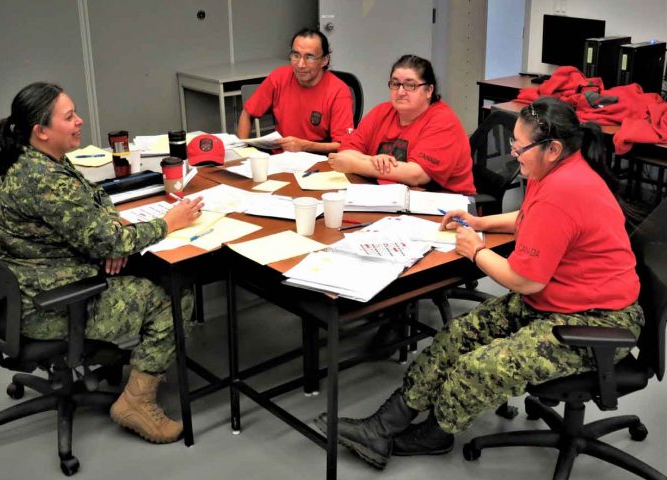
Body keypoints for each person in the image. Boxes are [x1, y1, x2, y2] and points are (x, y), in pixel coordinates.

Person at [316, 96, 644, 470]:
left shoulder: (564, 190)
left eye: (520, 147)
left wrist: (475, 250)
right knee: (458, 334)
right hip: (560, 301)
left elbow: (524, 280)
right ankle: (384, 424)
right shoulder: (551, 172)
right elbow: (528, 217)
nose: (513, 153)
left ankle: (436, 433)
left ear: (553, 148)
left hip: (597, 322)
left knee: (479, 367)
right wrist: (480, 223)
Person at [0, 82, 204, 444]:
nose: (80, 121)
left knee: (140, 267)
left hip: (32, 286)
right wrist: (169, 222)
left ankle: (113, 362)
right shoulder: (45, 180)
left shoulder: (40, 160)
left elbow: (96, 195)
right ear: (40, 131)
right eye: (69, 116)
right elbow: (111, 238)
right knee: (173, 298)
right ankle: (136, 403)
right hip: (47, 304)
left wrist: (112, 229)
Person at [327, 54, 476, 194]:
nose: (400, 91)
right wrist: (373, 160)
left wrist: (357, 165)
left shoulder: (443, 121)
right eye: (395, 84)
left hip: (444, 205)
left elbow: (416, 175)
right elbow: (346, 152)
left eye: (410, 85)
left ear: (429, 90)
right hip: (392, 196)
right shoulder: (382, 111)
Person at [236, 27, 354, 154]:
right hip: (280, 158)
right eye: (296, 55)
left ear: (324, 60)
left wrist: (305, 146)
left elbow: (342, 145)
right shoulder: (279, 77)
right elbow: (248, 113)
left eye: (309, 57)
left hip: (318, 160)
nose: (300, 65)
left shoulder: (338, 91)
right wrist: (242, 152)